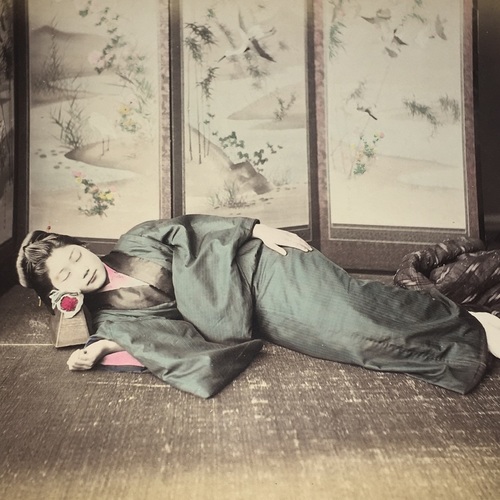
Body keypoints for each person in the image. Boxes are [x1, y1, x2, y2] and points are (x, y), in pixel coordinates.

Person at [16, 214, 498, 398]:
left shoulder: (136, 239)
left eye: (75, 255)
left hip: (260, 265)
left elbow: (200, 228)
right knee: (351, 343)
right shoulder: (114, 315)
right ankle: (462, 338)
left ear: (83, 245)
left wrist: (257, 227)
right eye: (65, 276)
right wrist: (103, 348)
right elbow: (165, 344)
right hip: (255, 314)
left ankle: (470, 326)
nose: (80, 269)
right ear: (60, 294)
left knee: (354, 311)